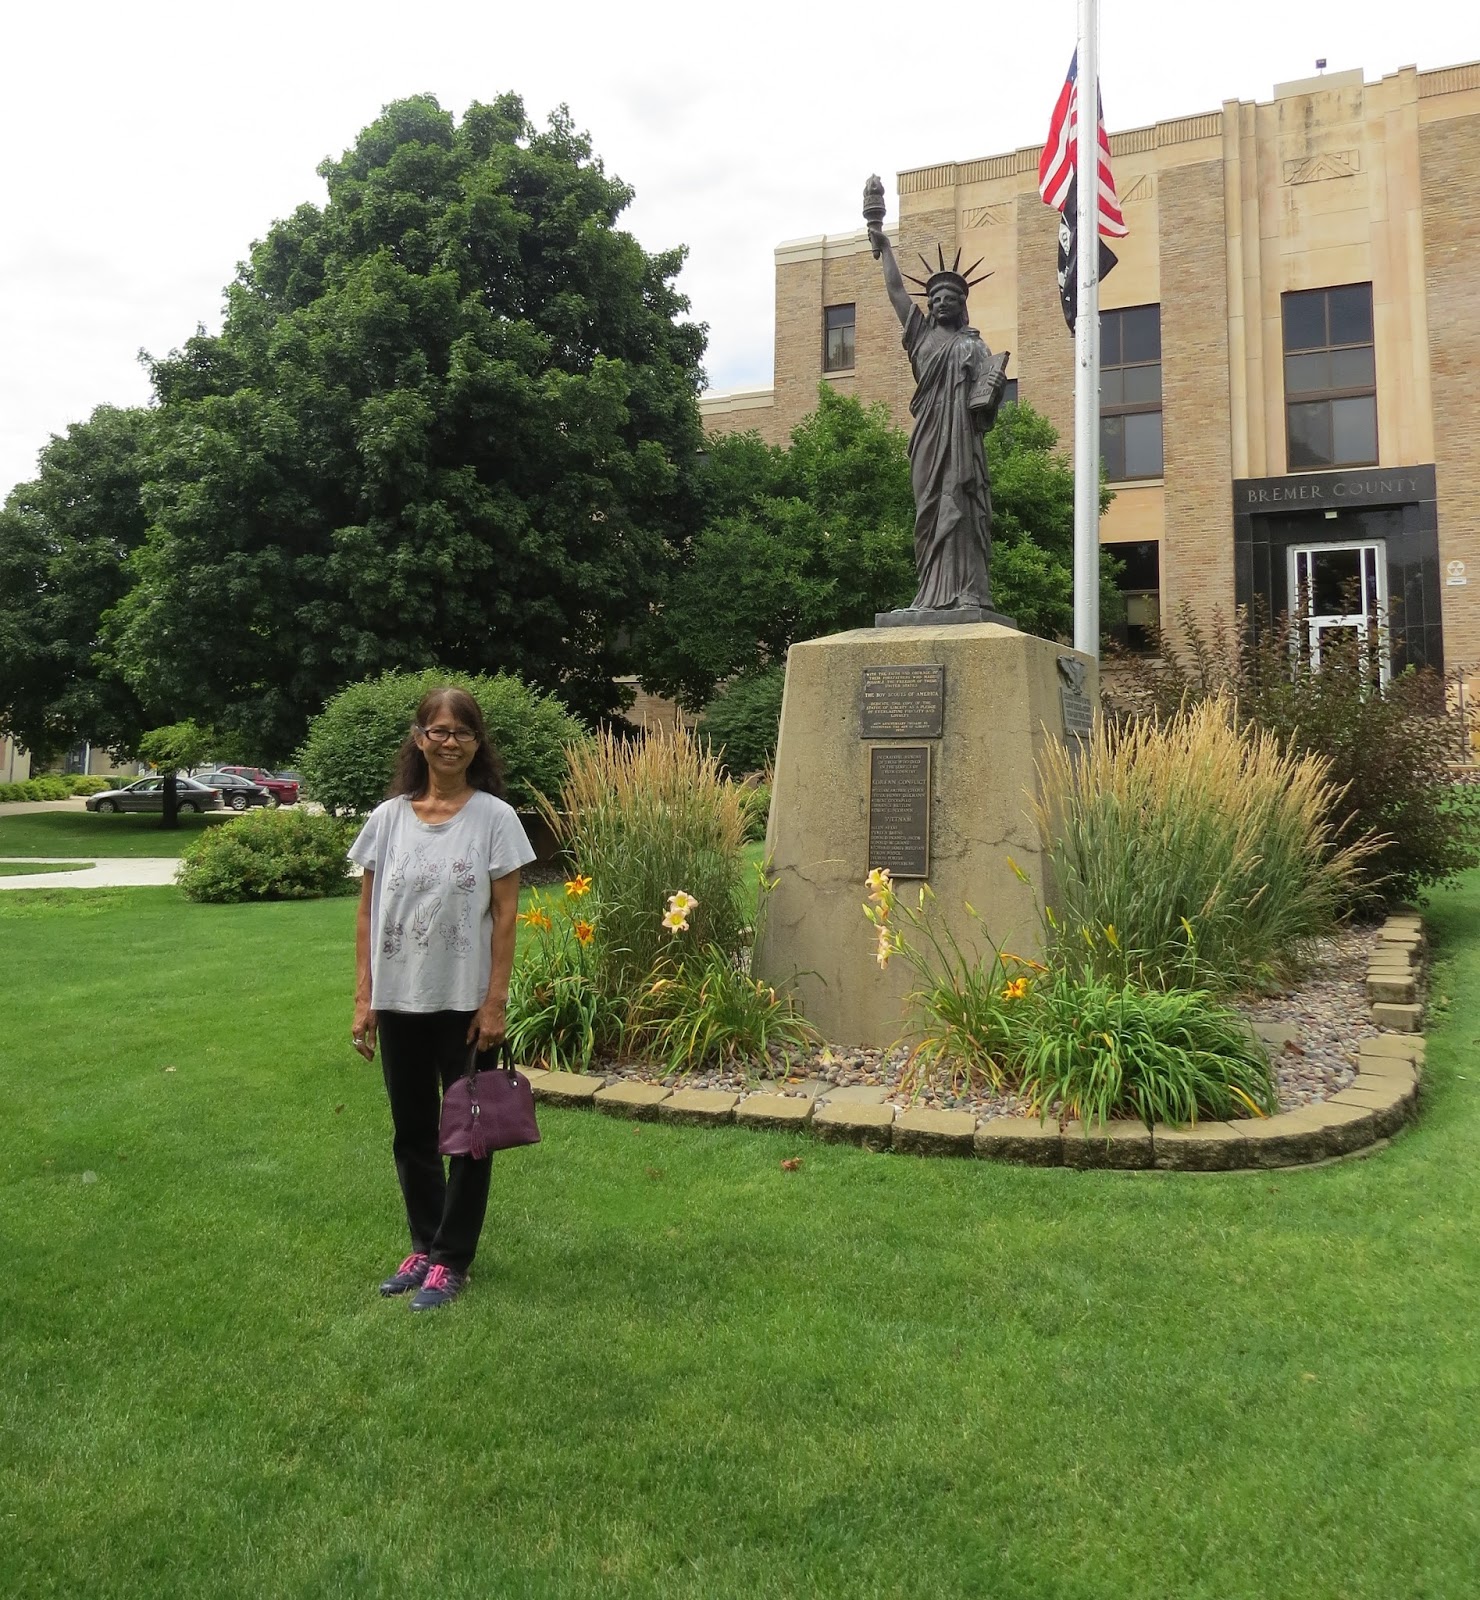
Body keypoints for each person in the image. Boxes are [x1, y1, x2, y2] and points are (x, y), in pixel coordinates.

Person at [348, 687, 535, 1310]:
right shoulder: (388, 818)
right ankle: (425, 1247)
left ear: (477, 743)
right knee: (413, 1133)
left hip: (463, 1003)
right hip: (400, 1000)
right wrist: (364, 997)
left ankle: (453, 1259)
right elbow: (369, 911)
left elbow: (507, 916)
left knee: (469, 1135)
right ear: (419, 738)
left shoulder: (495, 819)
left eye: (461, 731)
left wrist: (495, 1002)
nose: (449, 741)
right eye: (438, 730)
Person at [867, 225, 1008, 613]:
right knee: (929, 511)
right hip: (929, 439)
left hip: (963, 440)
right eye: (934, 298)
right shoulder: (921, 338)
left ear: (962, 304)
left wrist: (993, 389)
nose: (940, 302)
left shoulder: (975, 345)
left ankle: (969, 592)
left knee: (961, 508)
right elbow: (897, 293)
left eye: (949, 298)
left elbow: (988, 396)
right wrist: (886, 249)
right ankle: (929, 595)